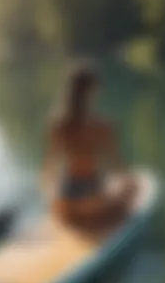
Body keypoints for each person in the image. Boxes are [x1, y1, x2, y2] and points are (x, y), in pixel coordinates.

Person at [41, 63, 138, 232]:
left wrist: (53, 196)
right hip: (93, 199)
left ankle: (71, 215)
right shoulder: (102, 126)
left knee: (73, 198)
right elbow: (117, 166)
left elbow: (49, 168)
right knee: (132, 190)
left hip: (66, 199)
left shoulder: (57, 124)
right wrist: (130, 184)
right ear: (91, 92)